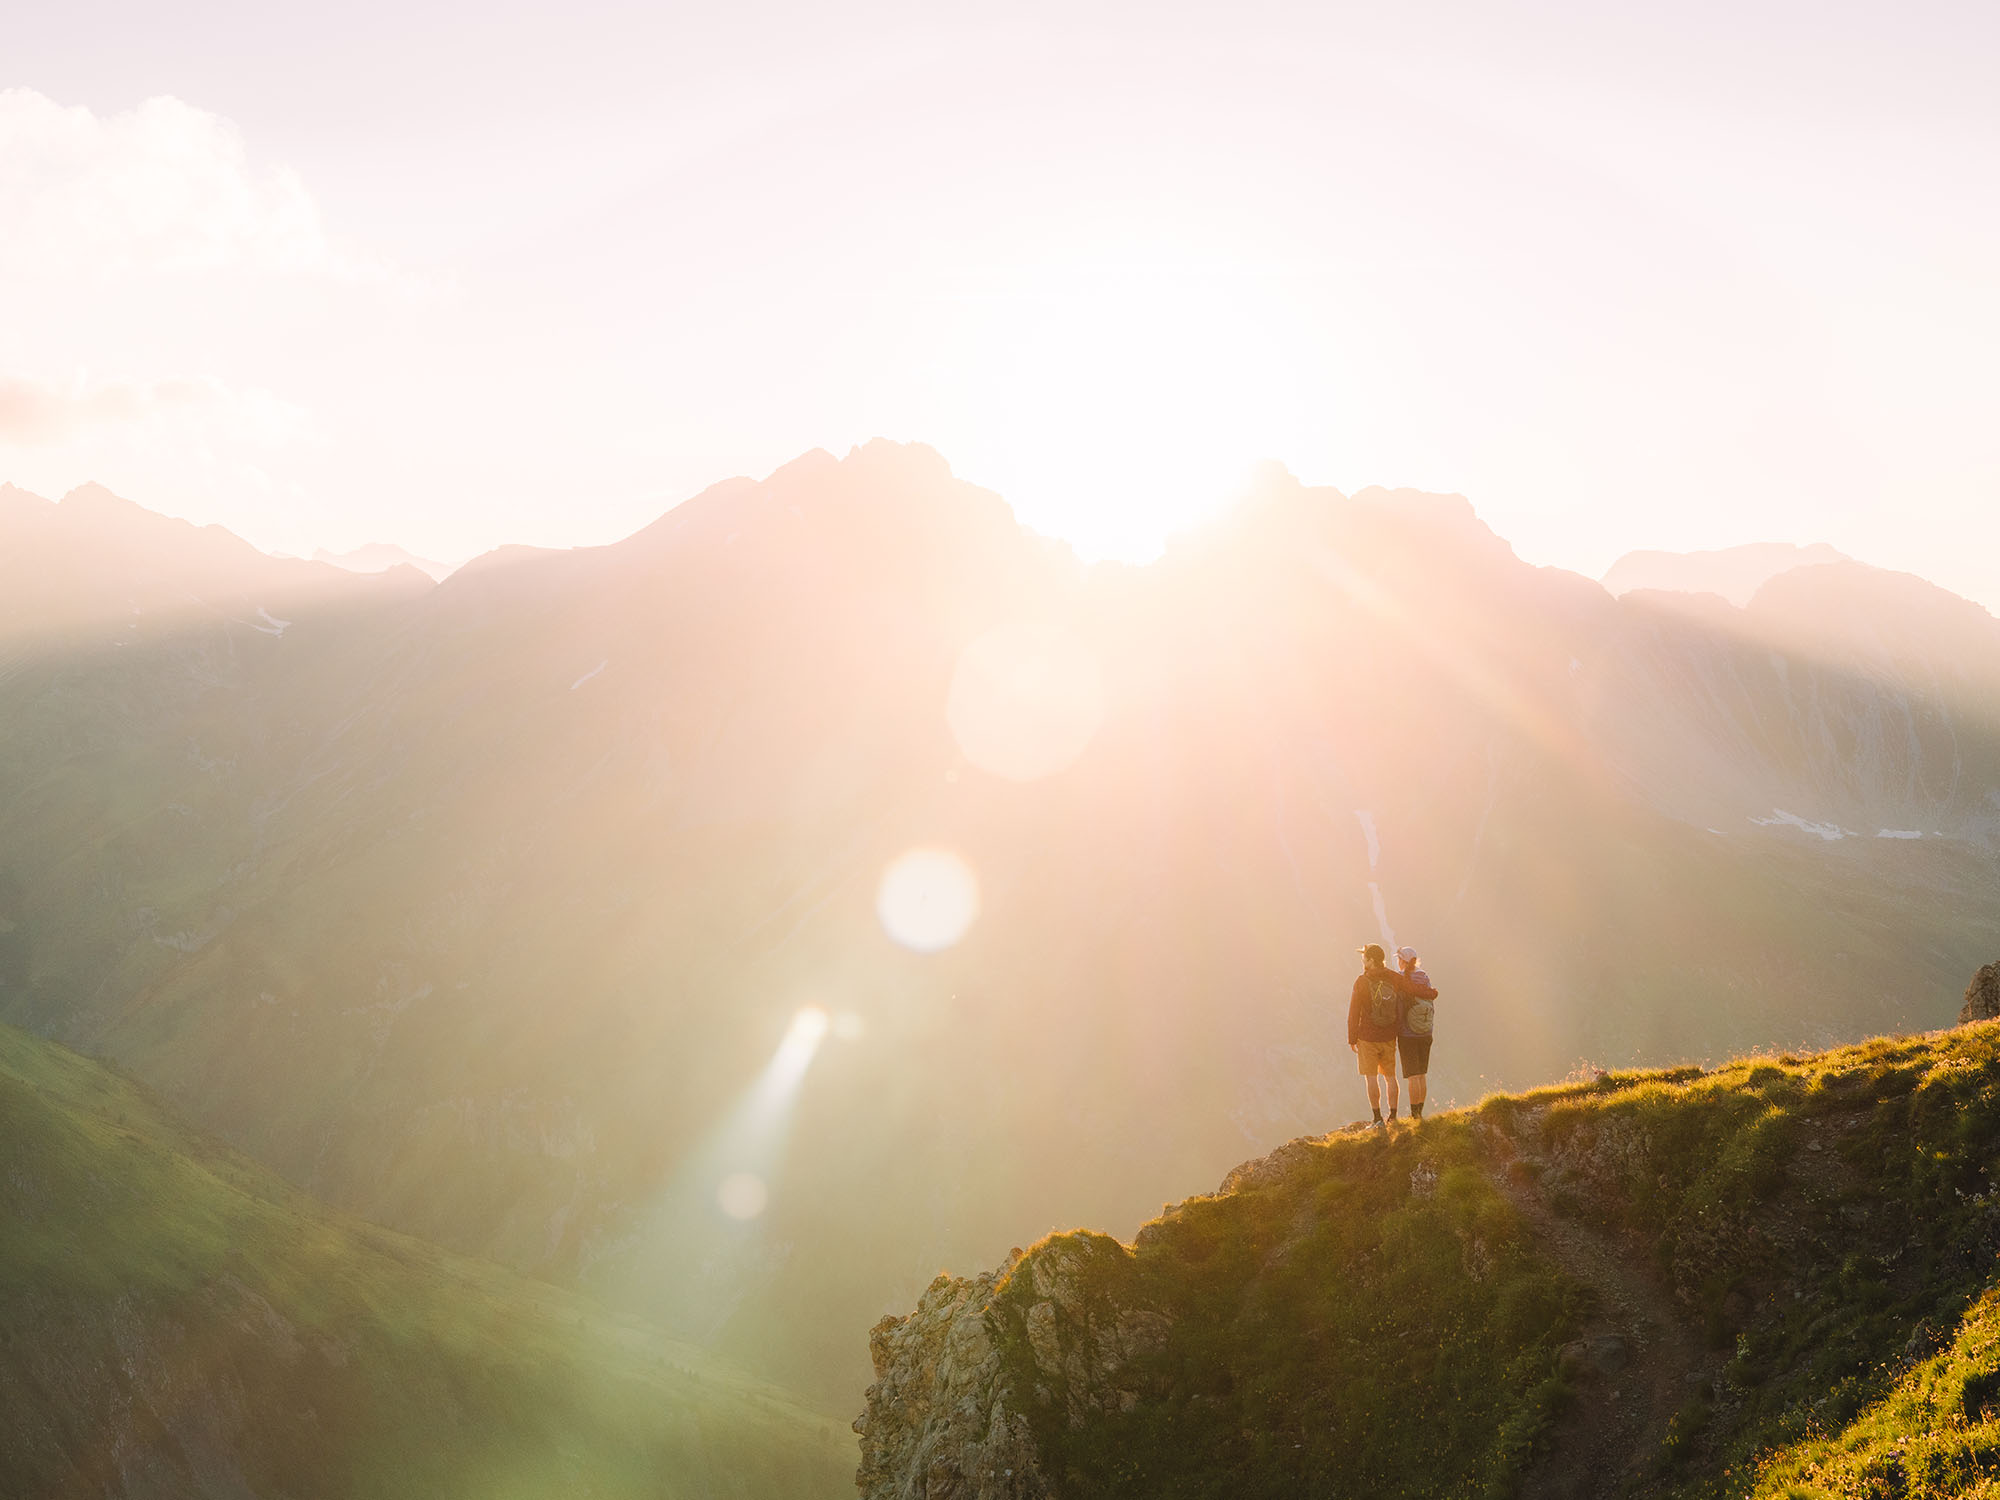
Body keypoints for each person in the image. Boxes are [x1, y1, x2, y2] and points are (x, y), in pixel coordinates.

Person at [1348, 944, 1406, 1128]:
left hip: (1367, 1037)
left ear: (1371, 960)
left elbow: (1354, 1012)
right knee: (1390, 1077)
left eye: (1364, 957)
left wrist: (1352, 1038)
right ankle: (1394, 1117)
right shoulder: (1393, 977)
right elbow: (1411, 989)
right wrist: (1430, 991)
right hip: (1389, 1036)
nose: (1362, 961)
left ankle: (1377, 1119)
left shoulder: (1361, 981)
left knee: (1371, 1077)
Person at [1395, 946, 1440, 1119]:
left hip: (1408, 1034)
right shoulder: (1424, 977)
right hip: (1426, 1032)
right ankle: (1419, 1112)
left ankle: (1415, 1116)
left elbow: (1398, 1007)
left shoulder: (1400, 979)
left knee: (1413, 1076)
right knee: (1421, 1075)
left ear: (1403, 961)